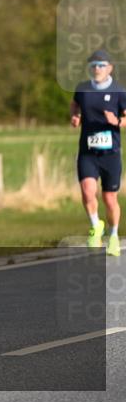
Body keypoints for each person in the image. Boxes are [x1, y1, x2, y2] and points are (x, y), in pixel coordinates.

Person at [70, 49, 125, 257]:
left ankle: (113, 236)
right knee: (87, 191)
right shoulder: (83, 89)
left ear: (110, 68)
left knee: (109, 198)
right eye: (93, 65)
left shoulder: (119, 92)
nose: (97, 68)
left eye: (101, 65)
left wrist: (117, 121)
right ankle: (96, 225)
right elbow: (75, 105)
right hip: (88, 151)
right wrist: (75, 117)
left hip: (110, 154)